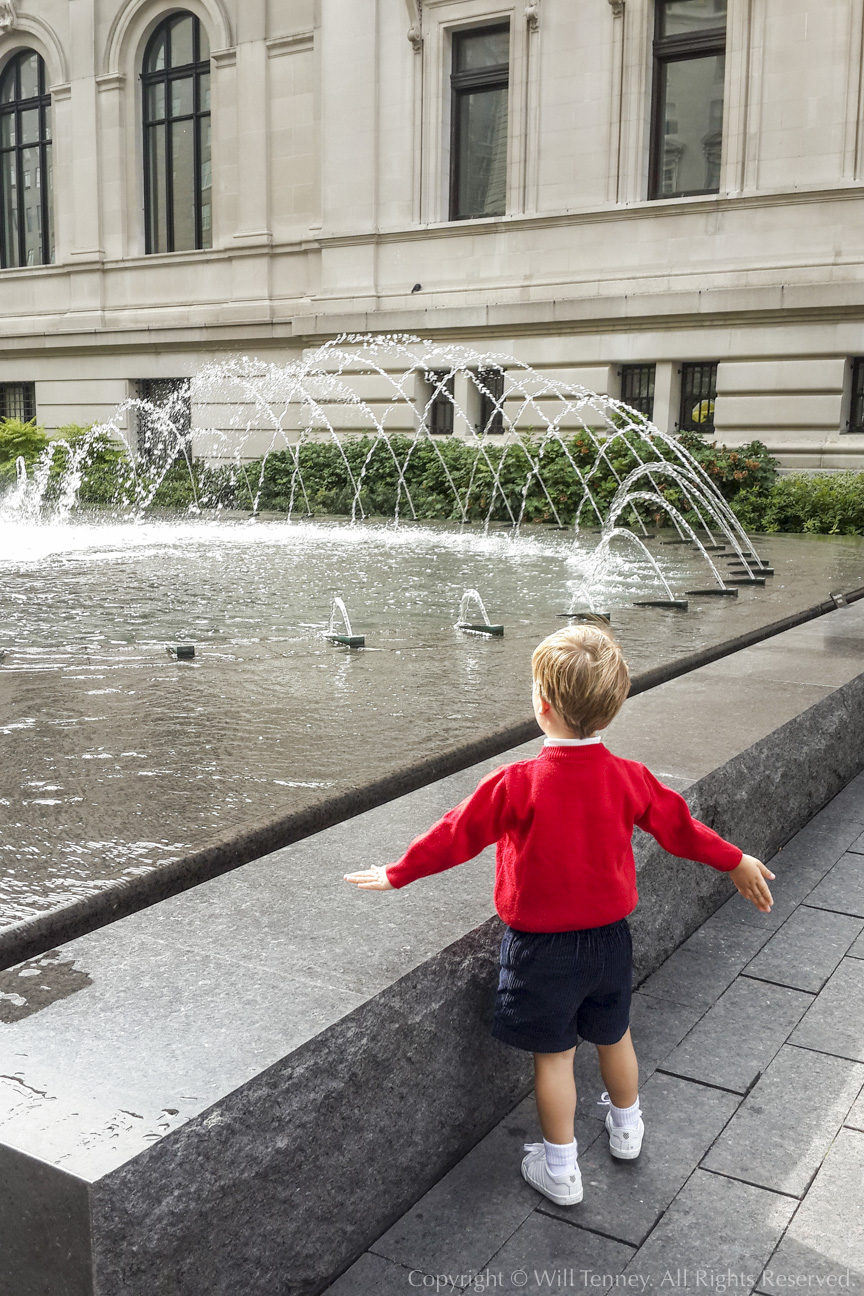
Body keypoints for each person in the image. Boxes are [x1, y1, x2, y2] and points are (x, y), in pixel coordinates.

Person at [343, 622, 775, 1207]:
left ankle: (561, 1169)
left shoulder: (517, 782)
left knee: (555, 1060)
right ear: (612, 709)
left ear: (542, 706)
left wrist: (399, 871)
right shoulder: (629, 777)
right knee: (616, 1036)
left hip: (541, 948)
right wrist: (735, 859)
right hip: (610, 941)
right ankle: (627, 1131)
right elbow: (680, 827)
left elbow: (456, 835)